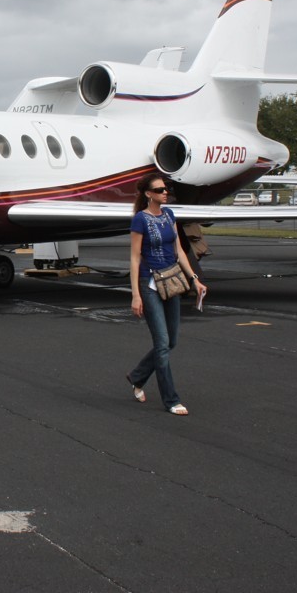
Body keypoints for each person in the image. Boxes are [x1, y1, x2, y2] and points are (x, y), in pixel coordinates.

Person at [125, 173, 206, 416]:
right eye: (160, 190)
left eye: (166, 189)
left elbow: (179, 250)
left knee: (171, 341)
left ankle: (137, 376)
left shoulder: (169, 215)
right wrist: (135, 295)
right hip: (150, 284)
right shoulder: (140, 220)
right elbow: (134, 256)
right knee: (161, 344)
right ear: (149, 194)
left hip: (172, 282)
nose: (165, 193)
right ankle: (171, 399)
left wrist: (194, 279)